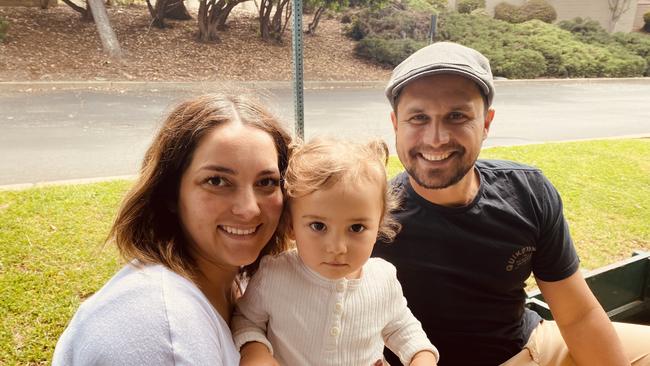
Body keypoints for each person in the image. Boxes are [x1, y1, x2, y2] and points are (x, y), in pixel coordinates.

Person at [373, 41, 650, 366]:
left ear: (486, 123)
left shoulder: (528, 192)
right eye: (418, 118)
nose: (436, 138)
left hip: (532, 344)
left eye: (457, 116)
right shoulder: (370, 217)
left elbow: (578, 316)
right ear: (396, 124)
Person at [52, 93, 293, 365]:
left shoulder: (244, 284)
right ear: (170, 193)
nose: (249, 209)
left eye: (267, 182)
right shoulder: (157, 328)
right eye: (217, 181)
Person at [231, 138, 439, 366]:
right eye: (318, 226)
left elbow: (403, 329)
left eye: (356, 228)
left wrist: (422, 356)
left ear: (378, 225)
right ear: (291, 225)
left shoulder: (383, 279)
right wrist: (255, 352)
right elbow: (246, 319)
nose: (338, 247)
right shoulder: (274, 274)